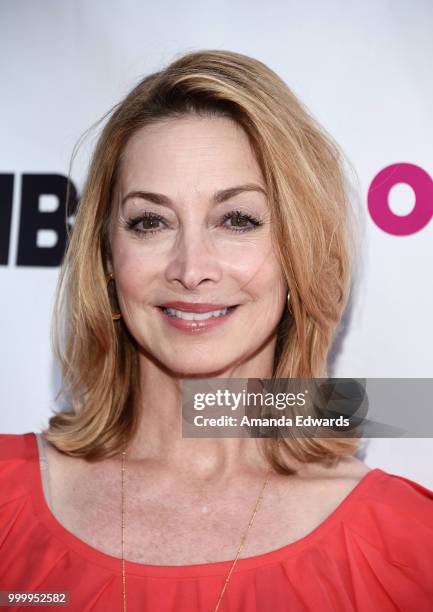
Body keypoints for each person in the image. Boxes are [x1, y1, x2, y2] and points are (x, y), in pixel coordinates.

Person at [1, 49, 432, 612]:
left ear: (298, 251)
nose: (190, 267)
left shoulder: (407, 547)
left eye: (237, 220)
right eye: (150, 222)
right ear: (107, 255)